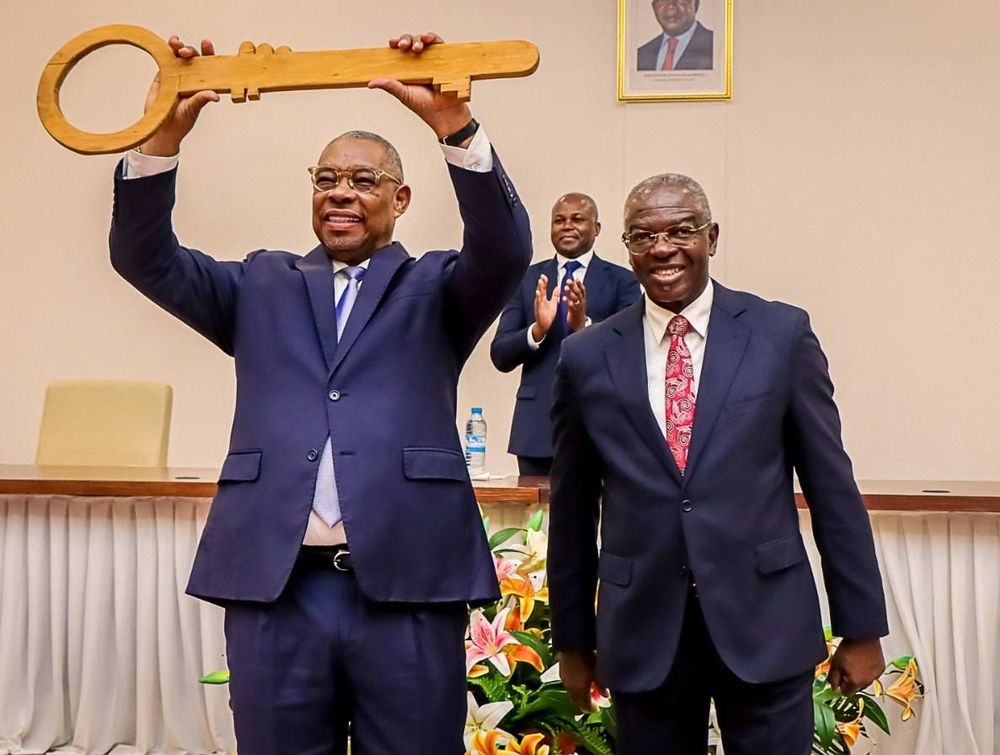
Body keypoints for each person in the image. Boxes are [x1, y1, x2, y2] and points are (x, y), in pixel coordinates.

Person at [109, 31, 531, 755]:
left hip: (407, 587)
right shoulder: (259, 282)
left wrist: (452, 127)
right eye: (326, 177)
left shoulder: (437, 287)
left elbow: (505, 248)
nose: (341, 191)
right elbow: (142, 255)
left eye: (364, 181)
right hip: (278, 586)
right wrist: (162, 138)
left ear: (399, 199)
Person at [547, 173, 888, 754]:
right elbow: (572, 512)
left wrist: (861, 628)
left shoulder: (780, 334)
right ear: (626, 247)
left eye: (681, 231)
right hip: (643, 631)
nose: (662, 249)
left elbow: (832, 487)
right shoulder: (585, 356)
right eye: (643, 236)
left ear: (712, 237)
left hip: (766, 622)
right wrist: (573, 645)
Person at [490, 193, 639, 476]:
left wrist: (585, 327)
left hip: (600, 426)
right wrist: (538, 330)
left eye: (577, 219)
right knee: (535, 518)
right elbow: (500, 354)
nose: (567, 226)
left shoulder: (623, 280)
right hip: (536, 431)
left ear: (596, 228)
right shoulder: (527, 279)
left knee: (597, 518)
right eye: (559, 220)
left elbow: (630, 349)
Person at [637, 0, 714, 71]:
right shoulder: (641, 55)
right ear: (654, 7)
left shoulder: (716, 47)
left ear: (696, 4)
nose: (670, 5)